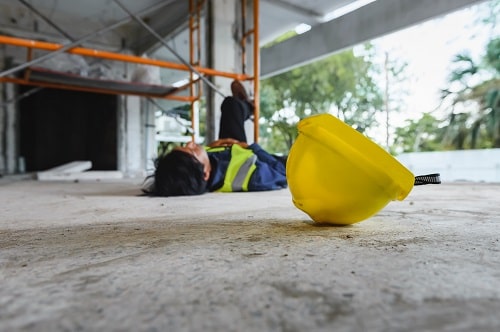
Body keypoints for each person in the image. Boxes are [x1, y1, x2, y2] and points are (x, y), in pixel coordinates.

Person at [143, 80, 287, 197]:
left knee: (230, 104)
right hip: (262, 158)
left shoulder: (199, 170)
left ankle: (245, 105)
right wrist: (249, 146)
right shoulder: (253, 178)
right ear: (205, 173)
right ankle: (246, 105)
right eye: (191, 150)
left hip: (228, 150)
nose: (191, 142)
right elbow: (282, 172)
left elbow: (195, 163)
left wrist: (214, 147)